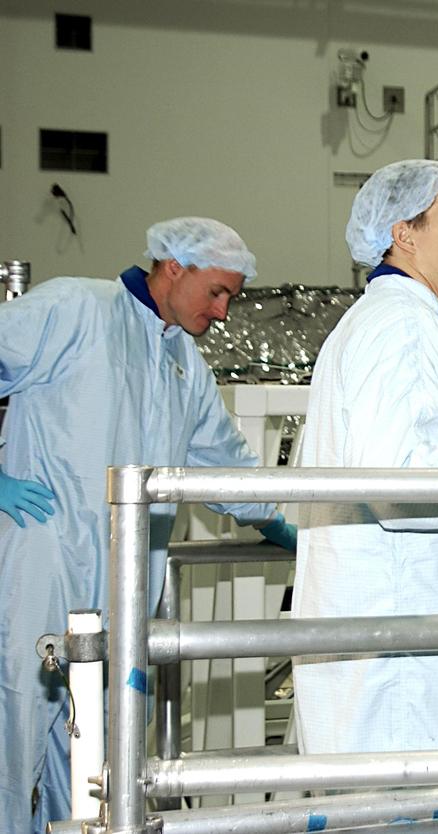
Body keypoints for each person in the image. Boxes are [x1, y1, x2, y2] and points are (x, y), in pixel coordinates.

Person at [0, 217, 296, 832]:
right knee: (12, 740)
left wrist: (288, 525)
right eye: (216, 292)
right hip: (42, 566)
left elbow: (225, 464)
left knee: (90, 768)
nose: (222, 312)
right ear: (173, 268)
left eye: (232, 299)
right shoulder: (74, 308)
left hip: (119, 592)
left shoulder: (182, 364)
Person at [292, 160, 438, 754]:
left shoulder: (387, 319)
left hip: (390, 649)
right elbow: (399, 484)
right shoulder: (404, 326)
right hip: (400, 663)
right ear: (404, 234)